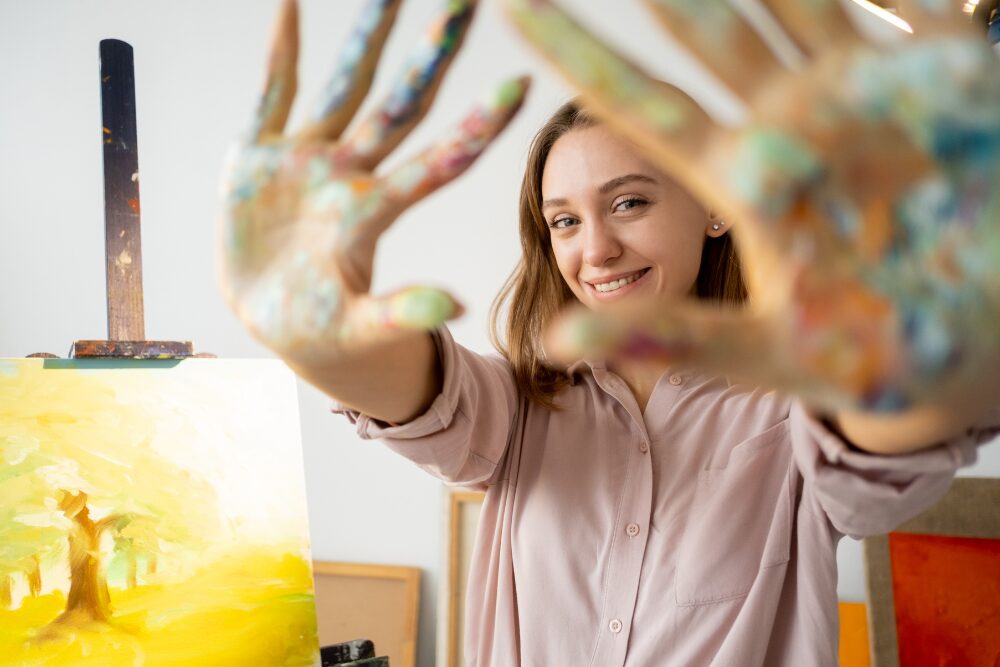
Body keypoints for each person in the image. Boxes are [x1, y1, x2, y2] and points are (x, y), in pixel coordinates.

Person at [220, 0, 1000, 665]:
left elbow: (875, 445)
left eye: (629, 202)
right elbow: (410, 390)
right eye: (564, 221)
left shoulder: (793, 409)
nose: (594, 250)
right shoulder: (522, 406)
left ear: (718, 205)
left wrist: (914, 357)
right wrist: (308, 331)